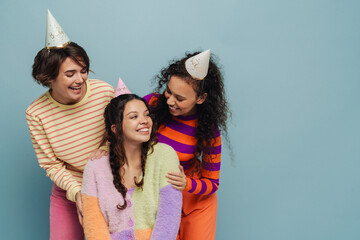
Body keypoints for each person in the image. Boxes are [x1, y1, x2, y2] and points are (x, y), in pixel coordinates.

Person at [25, 10, 114, 239]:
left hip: (111, 184)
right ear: (49, 77)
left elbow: (122, 134)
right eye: (70, 73)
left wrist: (104, 151)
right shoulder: (36, 114)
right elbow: (51, 164)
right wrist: (78, 194)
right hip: (69, 189)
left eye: (83, 71)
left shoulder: (104, 92)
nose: (80, 79)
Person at [143, 49, 230, 240]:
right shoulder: (151, 105)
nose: (170, 101)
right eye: (169, 91)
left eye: (180, 98)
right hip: (156, 198)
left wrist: (186, 184)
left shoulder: (208, 130)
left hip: (195, 204)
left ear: (201, 98)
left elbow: (212, 184)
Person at [81, 94, 182, 239]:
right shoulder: (95, 166)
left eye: (146, 115)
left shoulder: (165, 155)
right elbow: (94, 225)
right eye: (134, 117)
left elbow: (169, 218)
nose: (145, 121)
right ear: (115, 129)